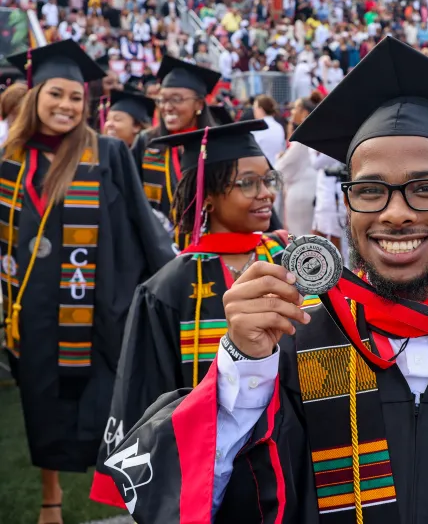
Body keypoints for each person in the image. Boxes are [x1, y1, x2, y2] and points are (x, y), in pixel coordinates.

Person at [100, 36, 428, 524]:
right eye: (371, 190)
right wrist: (241, 375)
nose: (394, 213)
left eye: (426, 188)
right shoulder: (289, 356)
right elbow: (206, 503)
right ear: (347, 203)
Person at [2, 39, 174, 524]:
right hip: (34, 315)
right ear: (34, 95)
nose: (66, 106)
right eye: (56, 94)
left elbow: (145, 229)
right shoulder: (11, 160)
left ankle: (137, 501)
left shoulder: (109, 154)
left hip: (102, 311)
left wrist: (170, 287)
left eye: (75, 97)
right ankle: (50, 502)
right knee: (42, 410)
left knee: (119, 413)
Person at [90, 120, 288, 506]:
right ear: (208, 195)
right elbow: (147, 398)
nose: (266, 194)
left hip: (287, 457)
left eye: (269, 180)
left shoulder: (286, 260)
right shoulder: (169, 288)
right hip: (203, 471)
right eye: (248, 183)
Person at [130, 56, 221, 242]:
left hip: (209, 248)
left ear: (199, 104)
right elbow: (131, 195)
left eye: (177, 99)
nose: (167, 107)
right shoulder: (148, 142)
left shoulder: (219, 143)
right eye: (162, 100)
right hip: (157, 249)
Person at [275, 90, 322, 235]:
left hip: (302, 193)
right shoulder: (314, 133)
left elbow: (282, 167)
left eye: (295, 108)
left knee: (300, 238)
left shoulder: (303, 138)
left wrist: (279, 158)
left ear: (304, 113)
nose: (292, 112)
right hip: (310, 189)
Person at [251, 94, 286, 166]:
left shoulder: (256, 127)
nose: (254, 111)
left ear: (260, 109)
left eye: (255, 108)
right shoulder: (279, 127)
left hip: (260, 167)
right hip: (276, 166)